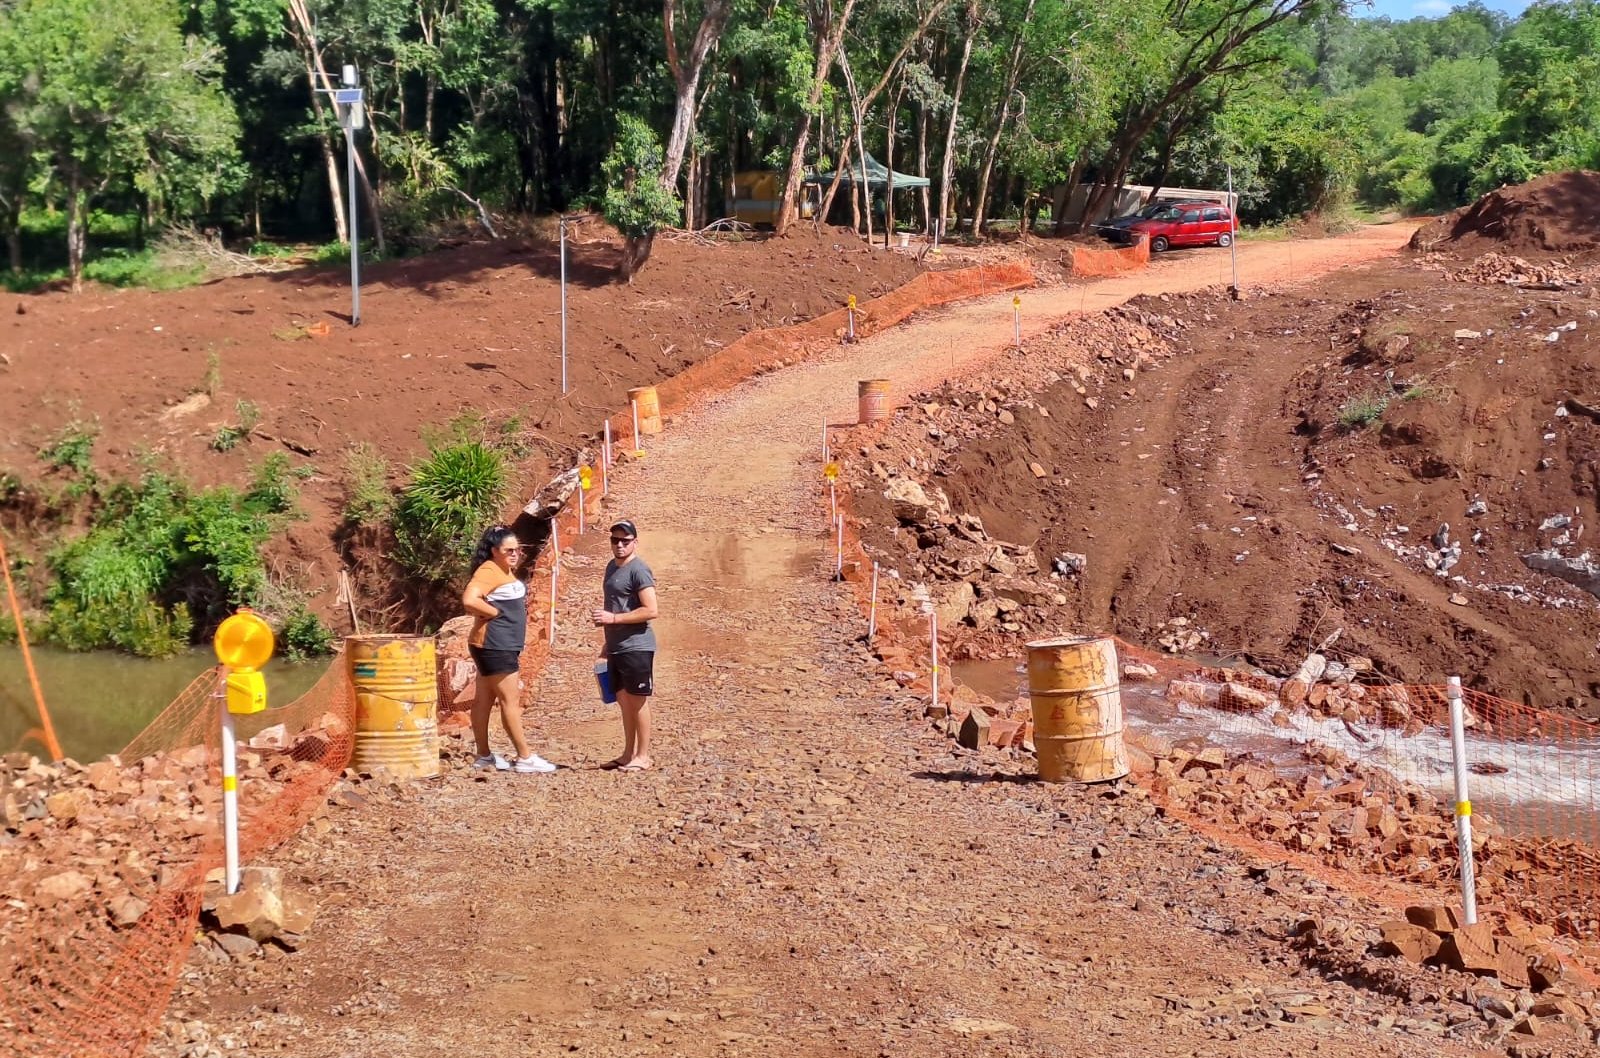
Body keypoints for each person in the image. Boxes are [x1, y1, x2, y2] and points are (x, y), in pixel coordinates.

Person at [461, 526, 556, 774]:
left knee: (484, 700)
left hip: (495, 644)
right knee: (510, 701)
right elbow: (470, 599)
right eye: (509, 551)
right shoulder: (489, 571)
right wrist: (495, 613)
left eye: (517, 550)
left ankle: (484, 756)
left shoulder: (502, 570)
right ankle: (525, 757)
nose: (515, 555)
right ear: (495, 551)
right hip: (496, 645)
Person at [591, 520, 659, 771]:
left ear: (635, 542)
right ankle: (628, 752)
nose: (619, 545)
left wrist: (614, 619)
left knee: (637, 699)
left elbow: (651, 610)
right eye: (614, 540)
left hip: (637, 645)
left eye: (625, 540)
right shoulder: (611, 567)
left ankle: (643, 755)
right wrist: (607, 642)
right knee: (622, 699)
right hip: (617, 645)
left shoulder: (639, 570)